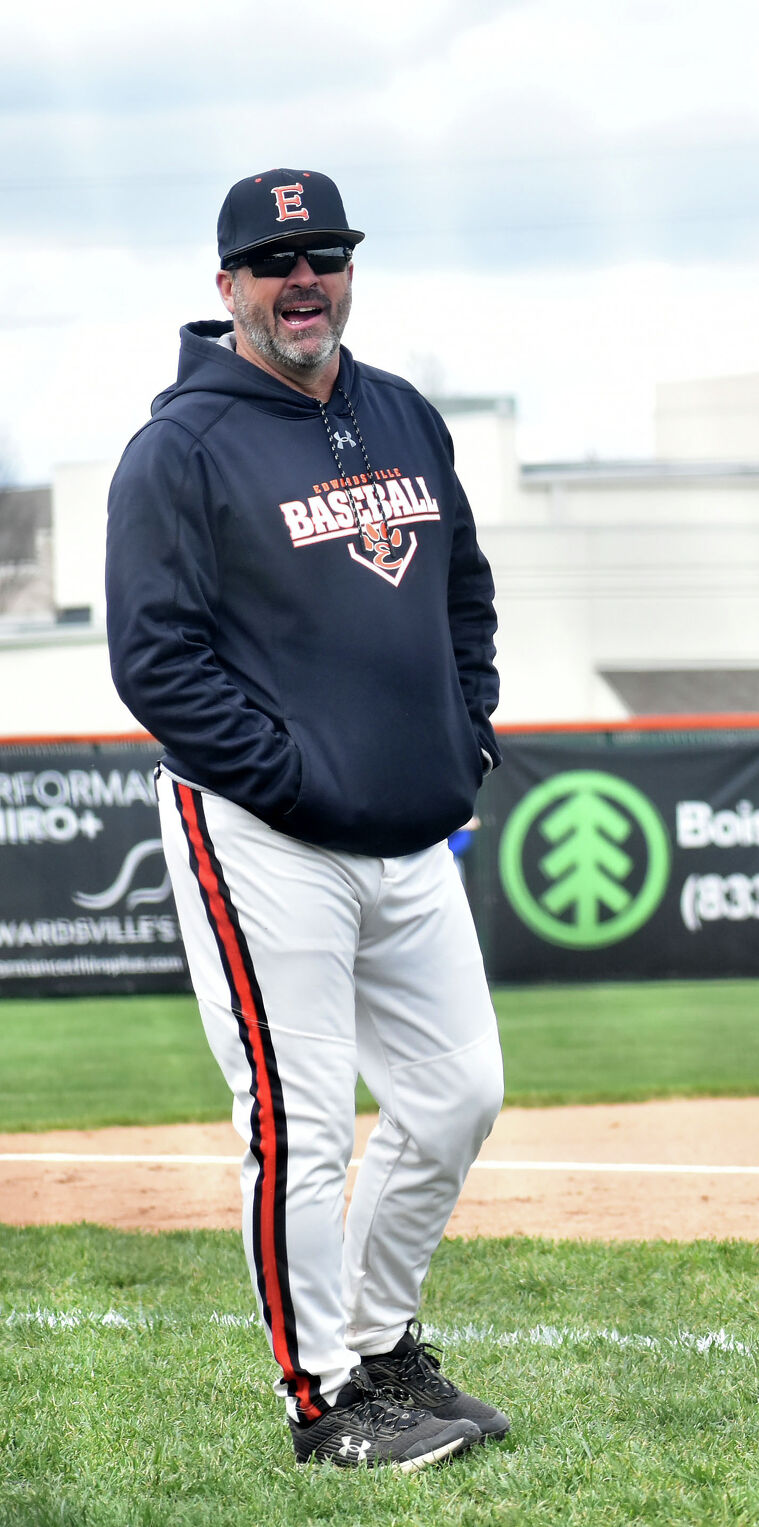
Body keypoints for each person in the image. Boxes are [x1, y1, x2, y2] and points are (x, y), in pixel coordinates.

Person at [105, 169, 510, 1471]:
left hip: (407, 826)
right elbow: (155, 662)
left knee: (457, 1096)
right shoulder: (180, 449)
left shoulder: (400, 412)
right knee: (303, 1123)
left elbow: (464, 594)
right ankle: (325, 1400)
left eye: (324, 254)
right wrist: (288, 777)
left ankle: (383, 1347)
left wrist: (465, 732)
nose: (303, 280)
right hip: (263, 834)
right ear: (227, 283)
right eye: (276, 260)